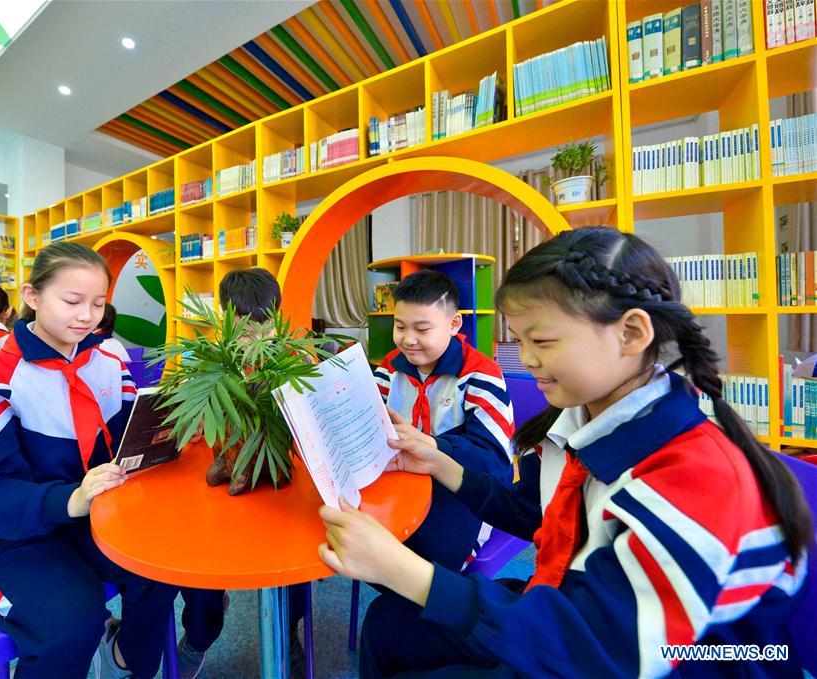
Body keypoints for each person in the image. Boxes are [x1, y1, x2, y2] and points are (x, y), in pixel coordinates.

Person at [318, 226, 813, 678]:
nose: (526, 359)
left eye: (543, 341)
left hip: (661, 659)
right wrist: (442, 465)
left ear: (632, 333)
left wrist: (401, 569)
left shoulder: (694, 475)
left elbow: (603, 651)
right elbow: (533, 511)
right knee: (388, 624)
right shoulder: (578, 420)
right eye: (520, 340)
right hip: (573, 603)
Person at [0, 242, 177, 679]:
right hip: (6, 538)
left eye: (98, 303)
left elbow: (124, 445)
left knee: (161, 569)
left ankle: (126, 663)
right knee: (71, 626)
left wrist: (167, 433)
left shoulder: (109, 360)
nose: (87, 315)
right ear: (32, 297)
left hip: (88, 517)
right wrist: (71, 499)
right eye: (72, 301)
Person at [176, 266, 283, 679]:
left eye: (265, 330)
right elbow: (183, 425)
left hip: (278, 485)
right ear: (222, 320)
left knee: (294, 555)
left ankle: (286, 631)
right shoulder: (202, 359)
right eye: (243, 331)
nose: (255, 343)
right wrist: (193, 423)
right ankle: (200, 634)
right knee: (195, 553)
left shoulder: (296, 357)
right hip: (220, 485)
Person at [373, 269, 515, 571]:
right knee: (365, 539)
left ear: (454, 324)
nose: (408, 340)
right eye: (400, 327)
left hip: (461, 492)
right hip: (403, 485)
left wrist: (432, 445)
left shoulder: (481, 374)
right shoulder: (389, 368)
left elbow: (492, 461)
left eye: (422, 329)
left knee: (430, 559)